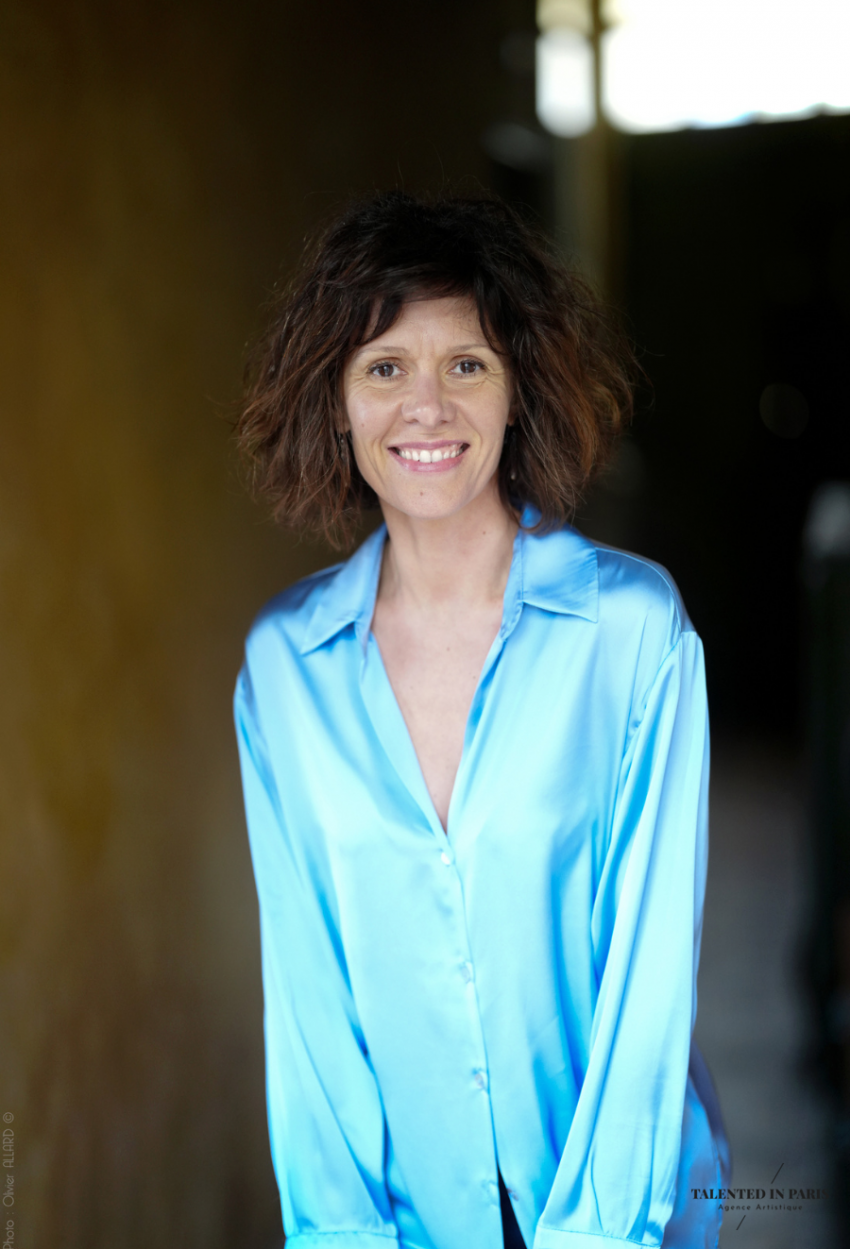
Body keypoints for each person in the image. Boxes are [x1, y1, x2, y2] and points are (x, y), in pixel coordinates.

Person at [232, 191, 730, 1249]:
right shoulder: (284, 669)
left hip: (611, 1215)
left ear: (518, 390)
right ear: (336, 403)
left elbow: (647, 983)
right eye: (383, 368)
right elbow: (308, 1004)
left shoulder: (631, 633)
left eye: (465, 363)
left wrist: (600, 1236)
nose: (426, 408)